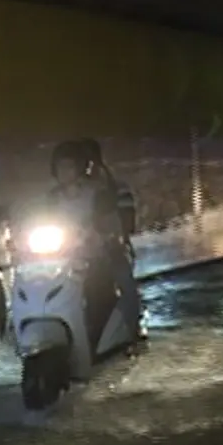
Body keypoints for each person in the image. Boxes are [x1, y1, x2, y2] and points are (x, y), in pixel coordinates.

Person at [45, 140, 144, 338]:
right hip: (64, 256)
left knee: (124, 282)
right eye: (60, 166)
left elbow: (112, 221)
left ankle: (132, 327)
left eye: (69, 166)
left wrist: (105, 234)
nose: (64, 171)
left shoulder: (99, 192)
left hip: (101, 252)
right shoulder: (53, 197)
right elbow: (41, 220)